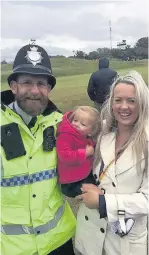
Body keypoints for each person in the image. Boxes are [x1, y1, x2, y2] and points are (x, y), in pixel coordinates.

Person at [1, 43, 76, 255]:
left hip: (58, 242)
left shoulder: (62, 125)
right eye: (27, 83)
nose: (35, 91)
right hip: (11, 248)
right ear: (13, 86)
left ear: (49, 89)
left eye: (41, 84)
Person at [75, 70, 148, 255]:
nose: (124, 106)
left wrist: (103, 203)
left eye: (132, 100)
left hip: (125, 242)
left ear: (143, 102)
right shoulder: (103, 131)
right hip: (90, 234)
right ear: (111, 102)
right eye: (118, 100)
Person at [56, 106, 101, 198]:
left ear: (91, 132)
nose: (76, 124)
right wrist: (85, 153)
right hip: (71, 182)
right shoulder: (65, 135)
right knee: (94, 196)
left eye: (83, 124)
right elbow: (65, 156)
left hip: (83, 175)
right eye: (75, 120)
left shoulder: (82, 136)